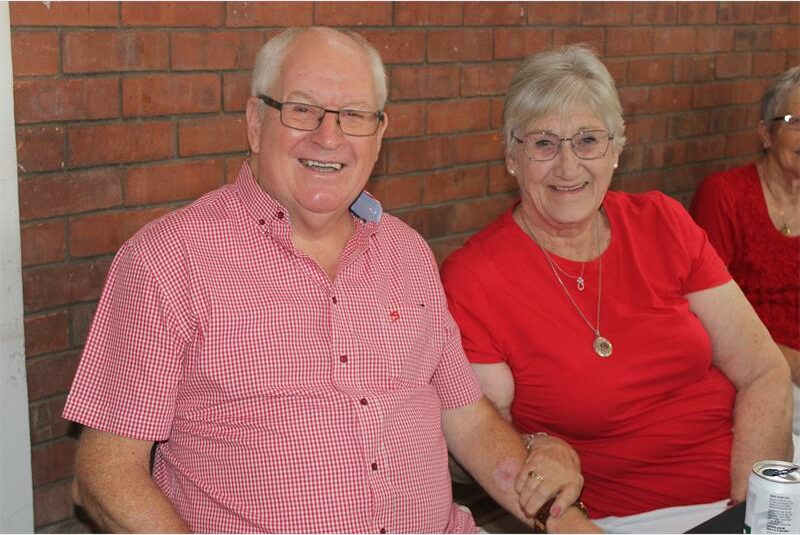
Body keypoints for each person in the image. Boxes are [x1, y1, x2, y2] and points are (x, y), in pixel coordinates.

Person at [62, 27, 597, 533]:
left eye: (354, 115)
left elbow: (468, 420)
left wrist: (566, 522)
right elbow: (105, 472)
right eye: (302, 110)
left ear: (379, 134)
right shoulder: (168, 260)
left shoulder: (407, 253)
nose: (329, 136)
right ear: (255, 121)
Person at [440, 44, 794, 533]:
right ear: (511, 155)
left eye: (588, 140)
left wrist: (753, 512)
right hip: (626, 519)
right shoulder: (476, 279)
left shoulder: (663, 222)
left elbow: (763, 370)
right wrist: (534, 447)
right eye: (544, 143)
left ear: (616, 149)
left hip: (744, 491)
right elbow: (479, 437)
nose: (568, 166)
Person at [691, 66, 800, 434]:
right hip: (750, 372)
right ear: (766, 133)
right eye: (796, 122)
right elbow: (705, 315)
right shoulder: (725, 195)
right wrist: (790, 363)